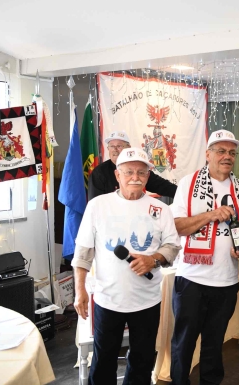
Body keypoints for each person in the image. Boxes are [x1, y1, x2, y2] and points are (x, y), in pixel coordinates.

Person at [72, 147, 180, 384]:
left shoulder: (161, 209)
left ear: (148, 176)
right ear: (117, 175)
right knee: (103, 361)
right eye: (129, 171)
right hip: (108, 300)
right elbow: (83, 254)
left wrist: (153, 259)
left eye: (141, 172)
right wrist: (80, 291)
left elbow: (172, 246)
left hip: (147, 301)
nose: (135, 177)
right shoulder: (97, 206)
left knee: (142, 361)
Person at [170, 129, 239, 385]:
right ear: (208, 154)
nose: (227, 156)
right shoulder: (188, 184)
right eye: (220, 151)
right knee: (184, 343)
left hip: (226, 281)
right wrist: (211, 215)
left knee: (214, 345)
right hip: (192, 280)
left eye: (231, 152)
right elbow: (176, 227)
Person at [88, 130, 177, 200]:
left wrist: (182, 193)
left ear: (128, 148)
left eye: (119, 146)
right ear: (117, 174)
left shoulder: (138, 169)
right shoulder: (99, 173)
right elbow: (96, 203)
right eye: (112, 146)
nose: (115, 149)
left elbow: (163, 186)